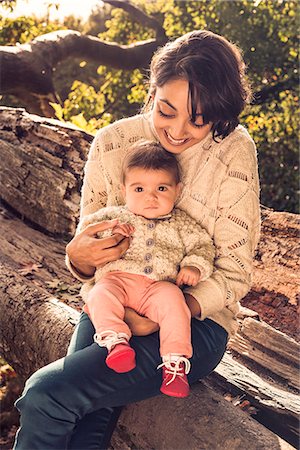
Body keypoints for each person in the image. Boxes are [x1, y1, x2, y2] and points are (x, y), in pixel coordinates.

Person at [13, 29, 260, 450]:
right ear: (152, 91)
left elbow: (236, 272)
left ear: (219, 114)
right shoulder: (112, 143)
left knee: (46, 396)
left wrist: (165, 311)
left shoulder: (233, 150)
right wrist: (79, 256)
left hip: (192, 324)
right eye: (166, 111)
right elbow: (87, 249)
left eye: (198, 120)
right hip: (112, 304)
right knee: (87, 426)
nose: (178, 131)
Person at [79, 140, 215, 398]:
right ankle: (115, 341)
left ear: (177, 190)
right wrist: (108, 234)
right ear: (124, 190)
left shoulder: (181, 223)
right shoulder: (114, 216)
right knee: (100, 294)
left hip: (157, 287)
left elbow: (203, 246)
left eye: (161, 188)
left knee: (176, 303)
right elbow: (86, 235)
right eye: (139, 188)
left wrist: (194, 266)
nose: (150, 197)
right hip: (118, 281)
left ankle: (175, 363)